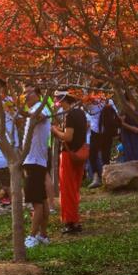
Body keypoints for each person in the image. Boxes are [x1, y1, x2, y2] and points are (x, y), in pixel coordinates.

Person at [51, 91, 87, 234]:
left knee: (67, 190)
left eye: (57, 100)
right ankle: (74, 220)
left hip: (68, 156)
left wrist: (55, 130)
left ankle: (70, 221)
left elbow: (68, 137)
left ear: (63, 100)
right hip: (79, 154)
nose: (56, 103)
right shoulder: (80, 113)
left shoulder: (70, 115)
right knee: (75, 188)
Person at [22, 84, 52, 248]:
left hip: (34, 162)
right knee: (42, 200)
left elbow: (39, 117)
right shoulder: (35, 110)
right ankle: (43, 235)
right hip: (35, 162)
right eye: (24, 92)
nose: (25, 96)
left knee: (37, 203)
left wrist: (18, 109)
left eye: (29, 92)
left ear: (39, 94)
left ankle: (32, 236)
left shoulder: (41, 110)